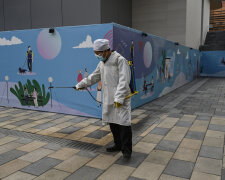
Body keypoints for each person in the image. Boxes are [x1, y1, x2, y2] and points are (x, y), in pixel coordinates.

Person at [75, 39, 132, 159]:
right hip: (109, 98)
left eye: (98, 53)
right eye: (95, 53)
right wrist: (81, 85)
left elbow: (124, 80)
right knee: (112, 122)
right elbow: (93, 77)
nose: (97, 55)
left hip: (120, 98)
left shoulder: (119, 60)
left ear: (106, 50)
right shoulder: (102, 63)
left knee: (123, 124)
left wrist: (119, 98)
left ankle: (127, 150)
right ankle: (118, 144)